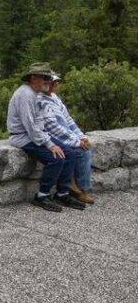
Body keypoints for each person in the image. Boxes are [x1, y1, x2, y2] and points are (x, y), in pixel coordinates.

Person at [6, 63, 85, 212]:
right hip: (23, 138)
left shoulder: (35, 93)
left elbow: (39, 123)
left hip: (37, 135)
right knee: (56, 158)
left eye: (49, 78)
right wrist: (50, 144)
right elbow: (31, 126)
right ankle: (41, 196)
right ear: (33, 78)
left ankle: (62, 194)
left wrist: (49, 140)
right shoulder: (26, 95)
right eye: (45, 78)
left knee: (71, 154)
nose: (49, 81)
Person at [38, 72, 94, 205]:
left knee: (84, 150)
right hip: (54, 136)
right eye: (52, 81)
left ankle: (79, 188)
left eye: (57, 81)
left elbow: (68, 120)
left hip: (65, 135)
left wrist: (81, 136)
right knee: (79, 152)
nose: (55, 84)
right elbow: (52, 127)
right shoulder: (41, 100)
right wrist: (76, 141)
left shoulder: (55, 98)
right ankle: (75, 188)